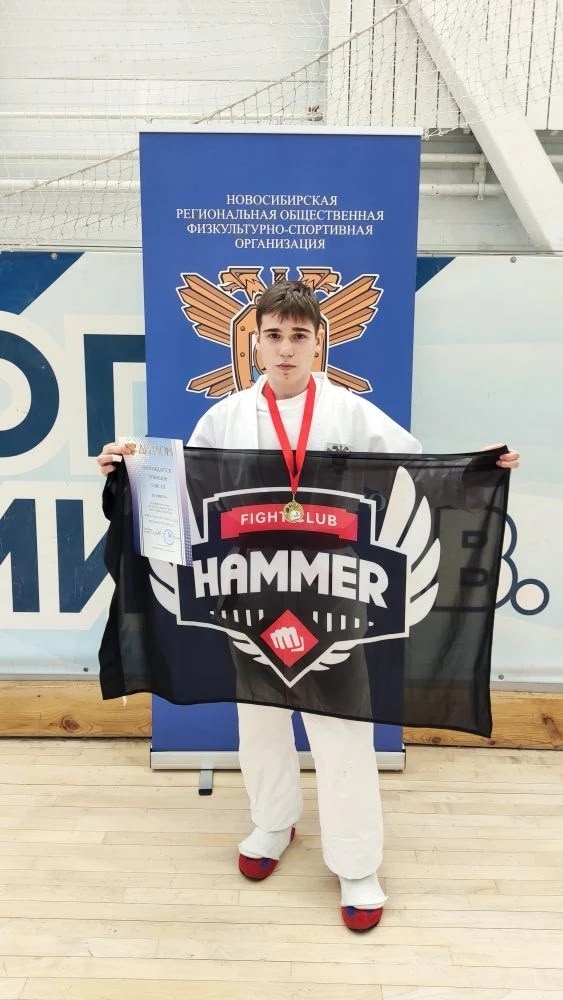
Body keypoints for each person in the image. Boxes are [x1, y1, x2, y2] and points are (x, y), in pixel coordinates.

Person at [97, 280, 520, 933]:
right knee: (259, 724)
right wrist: (125, 470)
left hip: (334, 596)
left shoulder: (352, 414)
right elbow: (181, 490)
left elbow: (420, 470)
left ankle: (356, 862)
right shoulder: (225, 418)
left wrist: (479, 468)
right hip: (250, 592)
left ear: (319, 343)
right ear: (255, 343)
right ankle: (273, 822)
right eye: (274, 336)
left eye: (299, 336)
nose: (286, 349)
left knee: (342, 730)